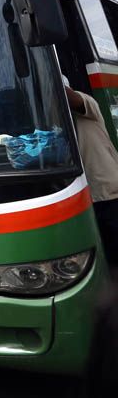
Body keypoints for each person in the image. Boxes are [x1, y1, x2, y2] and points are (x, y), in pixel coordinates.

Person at [64, 77, 118, 267]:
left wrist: (46, 80)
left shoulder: (87, 103)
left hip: (106, 191)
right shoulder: (56, 119)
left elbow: (73, 99)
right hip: (83, 195)